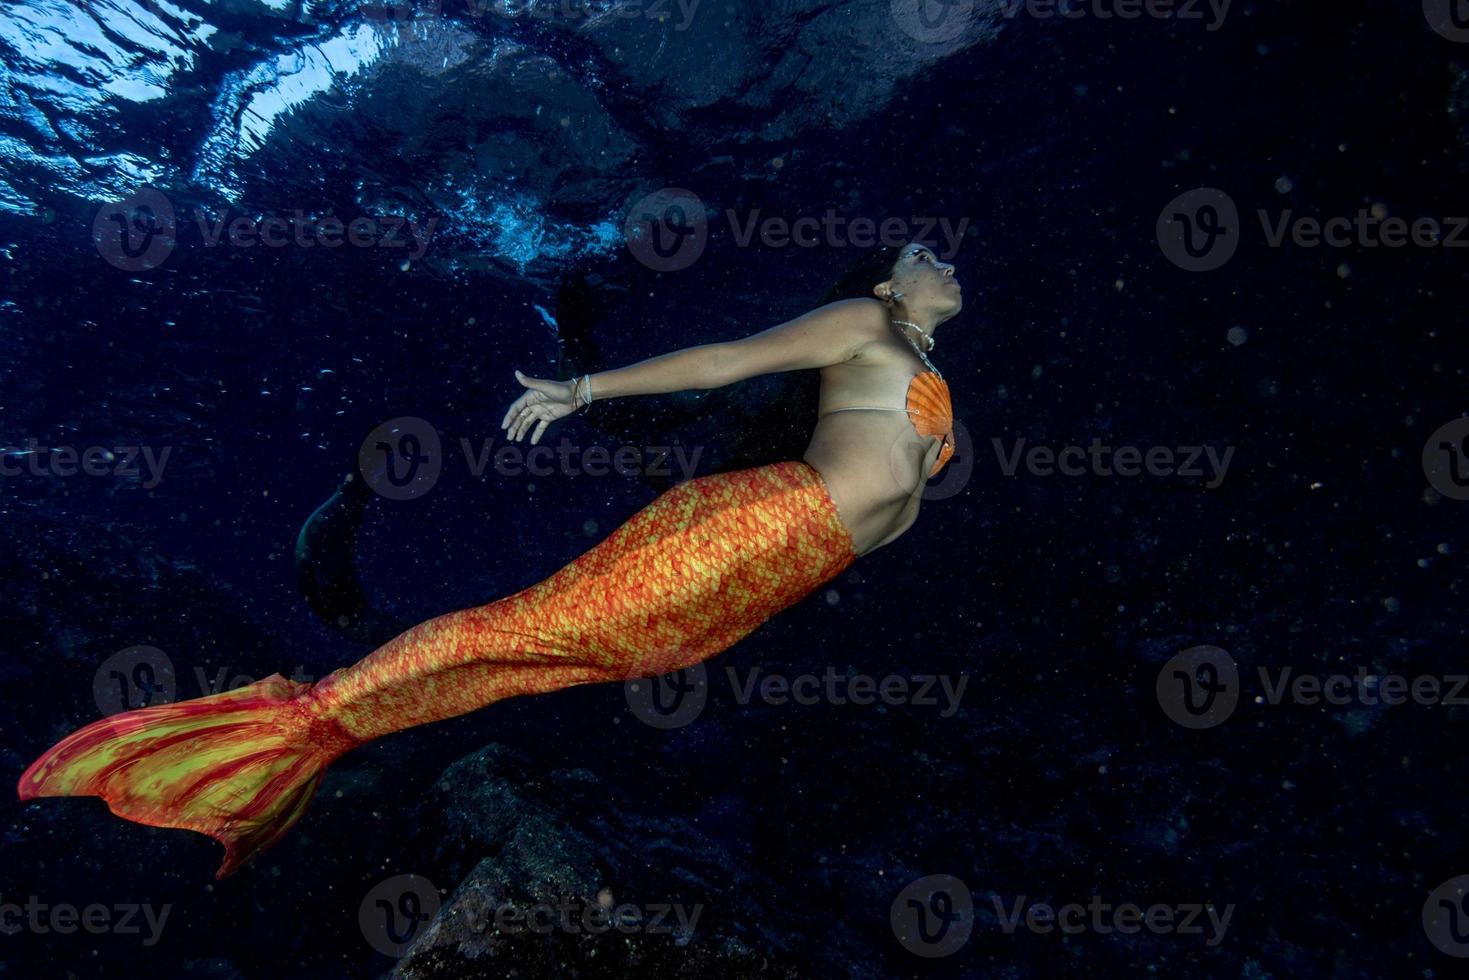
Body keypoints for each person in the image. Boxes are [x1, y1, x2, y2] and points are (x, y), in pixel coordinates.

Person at [16, 241, 964, 878]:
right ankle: (288, 722)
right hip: (759, 527)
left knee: (532, 668)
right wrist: (581, 387)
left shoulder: (916, 362)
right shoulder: (865, 323)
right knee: (523, 630)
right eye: (924, 257)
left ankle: (313, 744)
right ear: (885, 285)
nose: (944, 261)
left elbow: (892, 496)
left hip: (782, 574)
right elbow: (725, 359)